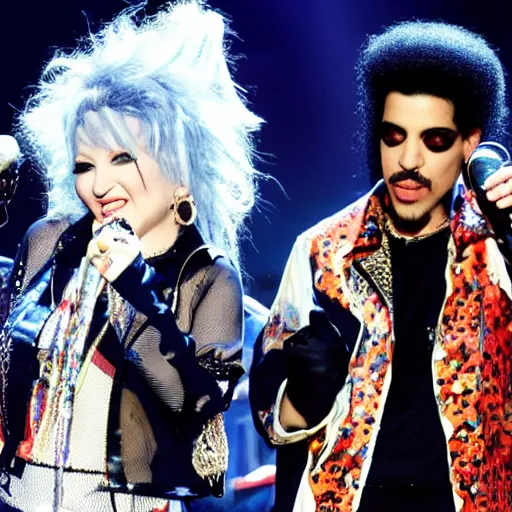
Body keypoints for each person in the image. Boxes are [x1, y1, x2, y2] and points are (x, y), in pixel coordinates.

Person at [0, 1, 263, 511]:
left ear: (179, 167)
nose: (99, 185)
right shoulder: (49, 241)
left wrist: (135, 288)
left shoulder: (208, 279)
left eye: (122, 158)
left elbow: (193, 408)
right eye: (84, 164)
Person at [250, 21, 512, 512]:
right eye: (394, 137)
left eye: (434, 141)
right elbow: (268, 415)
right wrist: (307, 394)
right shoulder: (322, 251)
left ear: (469, 143)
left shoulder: (496, 247)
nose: (407, 160)